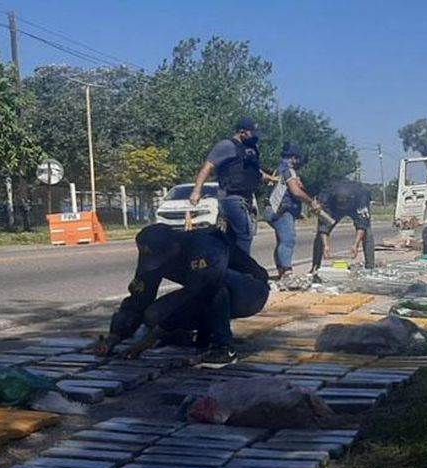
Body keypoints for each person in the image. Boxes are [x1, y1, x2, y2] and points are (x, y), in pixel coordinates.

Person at [94, 224, 270, 365]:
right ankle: (194, 337)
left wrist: (153, 336)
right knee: (153, 315)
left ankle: (224, 347)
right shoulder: (154, 256)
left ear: (174, 248)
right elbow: (139, 297)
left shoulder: (204, 244)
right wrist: (114, 337)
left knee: (213, 287)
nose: (159, 265)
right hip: (206, 290)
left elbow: (205, 288)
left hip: (251, 291)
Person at [189, 117, 274, 254]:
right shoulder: (226, 146)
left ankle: (229, 270)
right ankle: (243, 269)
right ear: (242, 132)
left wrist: (273, 179)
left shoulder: (248, 149)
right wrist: (196, 190)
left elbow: (257, 173)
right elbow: (208, 167)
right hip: (231, 197)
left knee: (233, 237)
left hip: (244, 198)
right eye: (252, 133)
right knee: (245, 236)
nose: (255, 137)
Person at [265, 143, 321, 279]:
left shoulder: (278, 170)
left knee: (281, 241)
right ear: (294, 158)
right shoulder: (288, 171)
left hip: (273, 209)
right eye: (298, 159)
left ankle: (281, 272)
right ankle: (287, 272)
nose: (299, 162)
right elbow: (295, 192)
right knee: (288, 240)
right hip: (282, 211)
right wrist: (311, 202)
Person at [311, 180, 375, 272]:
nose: (343, 207)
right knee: (319, 236)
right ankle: (315, 267)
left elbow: (362, 224)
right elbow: (323, 226)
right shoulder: (328, 196)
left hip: (355, 205)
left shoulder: (361, 197)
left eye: (344, 203)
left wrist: (356, 245)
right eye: (341, 202)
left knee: (367, 232)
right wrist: (326, 245)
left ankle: (370, 266)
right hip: (334, 208)